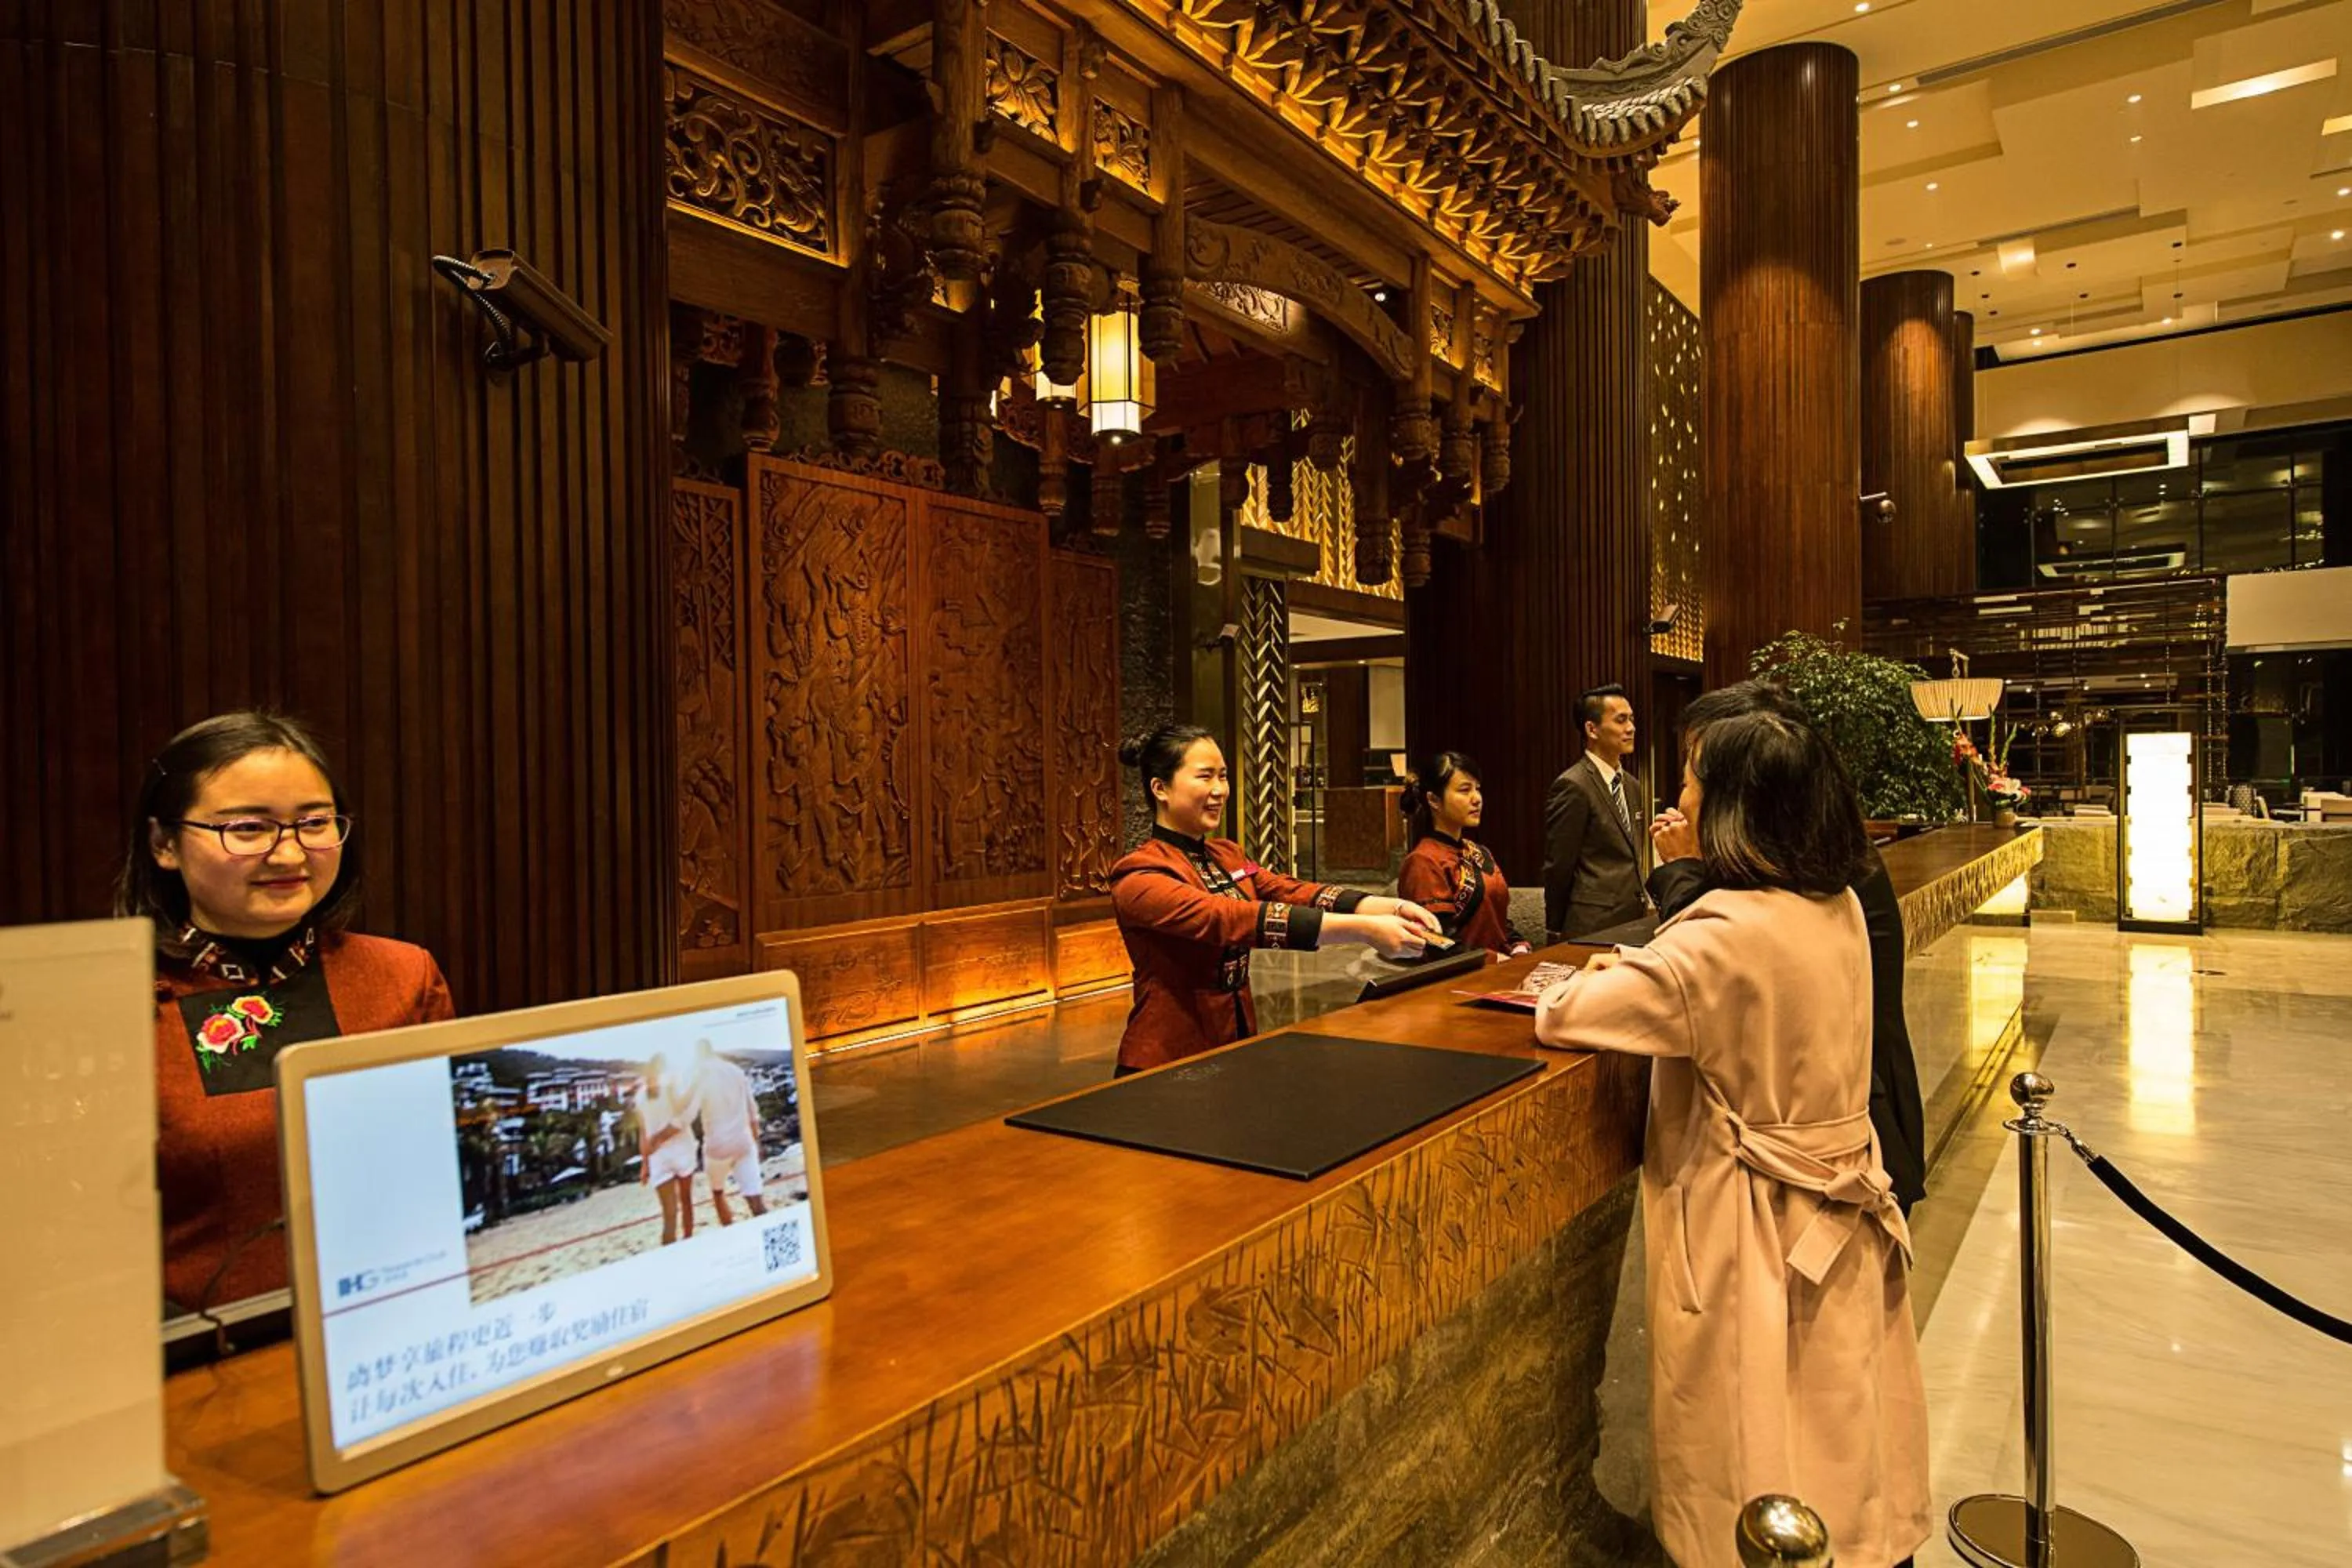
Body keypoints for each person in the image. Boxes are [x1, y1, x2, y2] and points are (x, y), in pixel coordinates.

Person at [1533, 705, 1929, 1568]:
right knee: (1840, 1415)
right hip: (1844, 1193)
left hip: (1755, 1220)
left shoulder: (1726, 937)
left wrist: (1622, 964)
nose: (1678, 796)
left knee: (1755, 1423)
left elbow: (1566, 1010)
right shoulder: (1837, 907)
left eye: (1691, 780)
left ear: (1734, 808)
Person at [123, 712, 453, 1316]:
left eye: (315, 822)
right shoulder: (118, 1006)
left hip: (391, 1319)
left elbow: (442, 1174)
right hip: (193, 1355)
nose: (290, 852)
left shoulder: (403, 978)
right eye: (248, 827)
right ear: (163, 844)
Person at [1647, 681, 1929, 1213]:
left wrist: (1683, 869)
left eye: (1701, 767)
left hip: (1841, 1145)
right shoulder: (1820, 844)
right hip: (1846, 1133)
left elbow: (1717, 960)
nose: (1688, 791)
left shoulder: (1806, 868)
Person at [1109, 724, 1443, 1073]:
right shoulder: (1139, 874)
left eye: (1223, 777)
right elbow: (1227, 918)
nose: (1220, 790)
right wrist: (1365, 930)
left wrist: (1383, 905)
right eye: (1205, 777)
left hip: (1233, 1041)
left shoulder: (1226, 855)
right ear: (1160, 788)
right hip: (1165, 1056)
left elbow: (1289, 890)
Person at [1395, 751, 1531, 958]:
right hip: (1463, 979)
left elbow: (1496, 921)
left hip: (1501, 969)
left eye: (1477, 789)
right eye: (1465, 790)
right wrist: (1494, 960)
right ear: (1434, 800)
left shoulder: (1479, 851)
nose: (1476, 799)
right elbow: (1437, 942)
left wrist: (1519, 946)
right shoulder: (1423, 861)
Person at [1542, 683, 1651, 942]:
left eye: (1632, 719)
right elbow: (1559, 864)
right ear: (1592, 729)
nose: (1631, 728)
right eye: (1621, 720)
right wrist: (1554, 928)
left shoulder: (1632, 785)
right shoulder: (1573, 785)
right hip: (1592, 924)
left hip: (1633, 917)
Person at [691, 1038, 766, 1225]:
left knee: (718, 1193)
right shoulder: (736, 1071)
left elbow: (689, 1112)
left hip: (718, 1146)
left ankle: (730, 1232)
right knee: (756, 1200)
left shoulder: (700, 1074)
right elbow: (753, 1112)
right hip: (743, 1142)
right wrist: (757, 1143)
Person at [637, 1053, 700, 1245]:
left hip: (658, 1157)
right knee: (686, 1202)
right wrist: (695, 1084)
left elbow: (643, 1132)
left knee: (669, 1215)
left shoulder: (640, 1095)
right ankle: (689, 1243)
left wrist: (645, 1163)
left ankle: (671, 1255)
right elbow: (681, 1111)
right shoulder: (669, 1087)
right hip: (681, 1150)